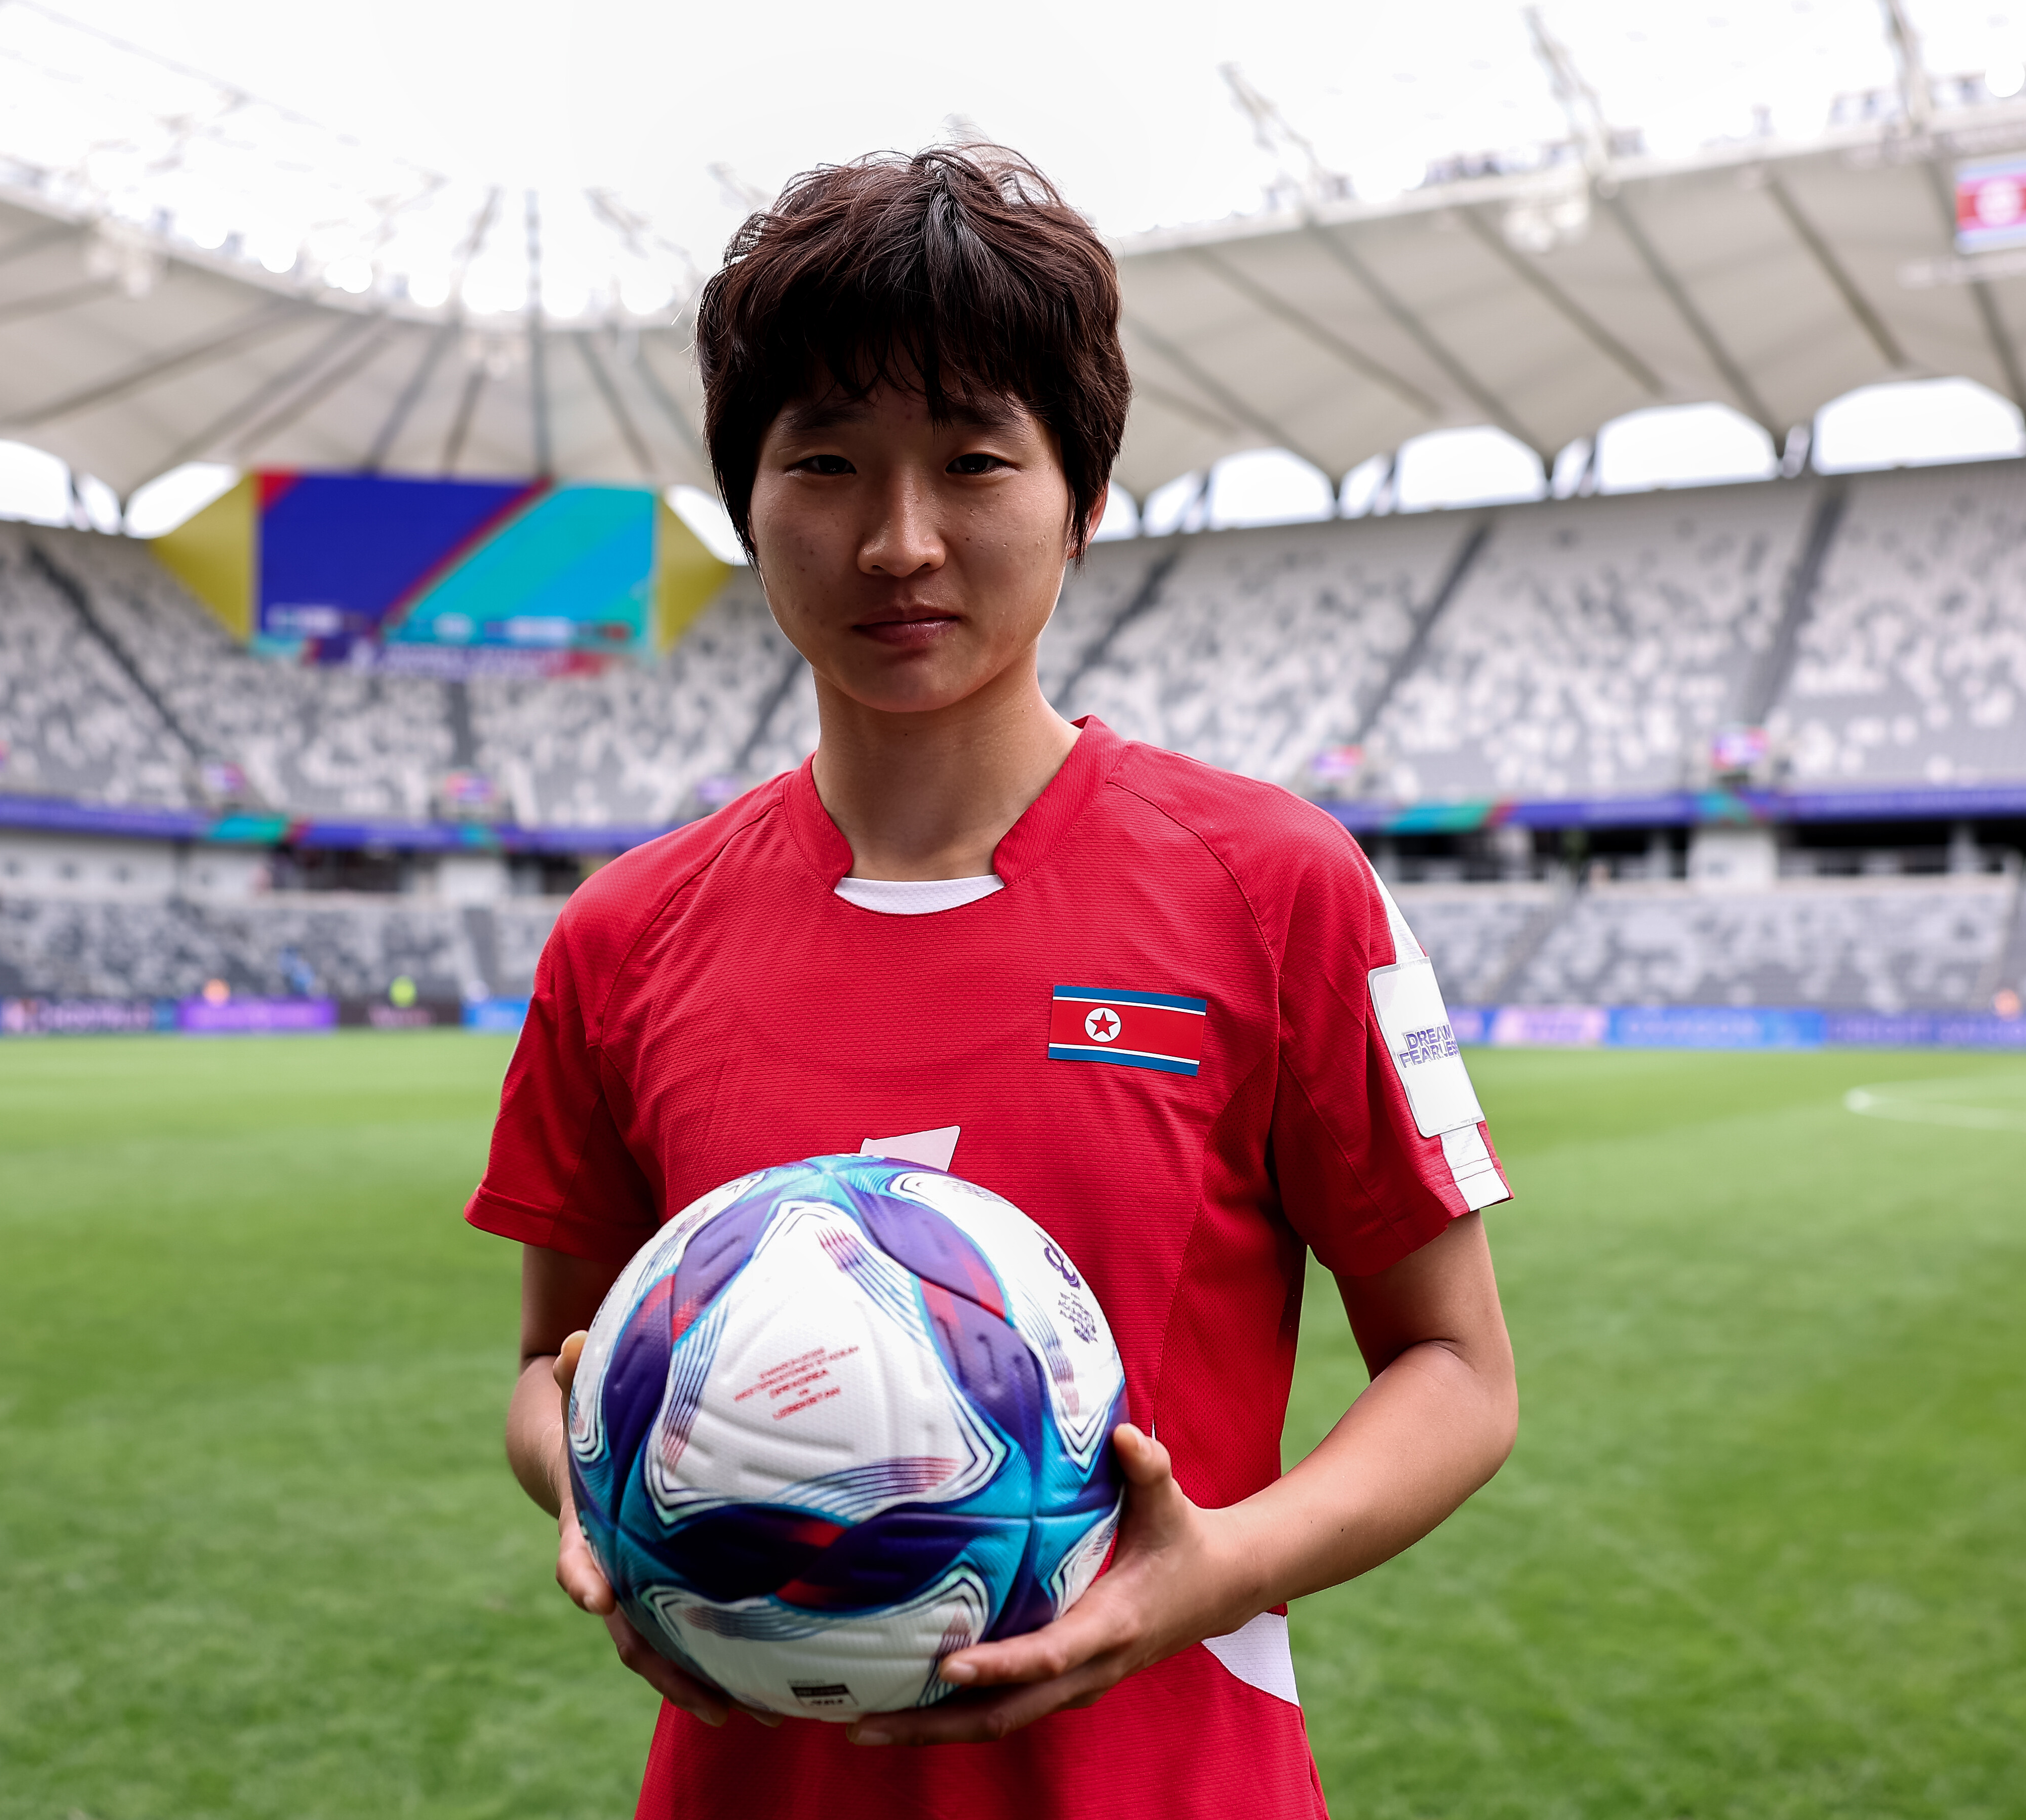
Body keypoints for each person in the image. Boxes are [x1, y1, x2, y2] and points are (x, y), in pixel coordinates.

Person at [467, 145, 1518, 1819]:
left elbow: (1459, 1371)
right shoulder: (624, 931)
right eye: (826, 464)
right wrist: (597, 1491)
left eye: (973, 462)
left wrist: (1215, 1566)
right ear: (747, 502)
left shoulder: (1276, 885)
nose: (900, 541)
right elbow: (553, 1367)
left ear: (1081, 498)